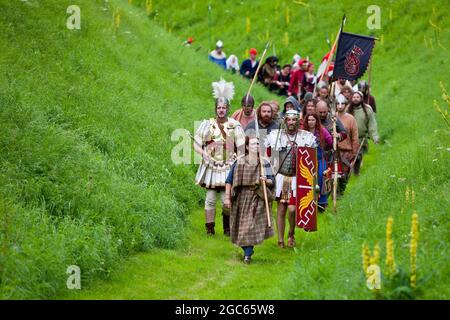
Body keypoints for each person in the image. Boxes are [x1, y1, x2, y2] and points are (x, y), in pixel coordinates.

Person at [194, 79, 245, 236]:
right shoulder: (207, 124)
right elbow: (195, 144)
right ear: (215, 109)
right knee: (209, 199)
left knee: (226, 200)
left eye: (224, 108)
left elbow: (242, 148)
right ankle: (209, 229)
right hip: (211, 166)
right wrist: (204, 155)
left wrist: (238, 163)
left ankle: (227, 229)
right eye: (219, 108)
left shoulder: (235, 125)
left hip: (228, 165)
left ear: (228, 109)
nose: (221, 110)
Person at [265, 110, 317, 248]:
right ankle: (280, 240)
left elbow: (311, 159)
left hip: (297, 179)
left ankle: (291, 234)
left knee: (293, 209)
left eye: (294, 120)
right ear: (285, 121)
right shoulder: (276, 136)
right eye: (289, 120)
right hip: (282, 177)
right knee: (281, 209)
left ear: (298, 122)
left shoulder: (306, 137)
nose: (291, 122)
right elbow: (268, 156)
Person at [224, 136, 275, 264]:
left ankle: (247, 254)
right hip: (241, 198)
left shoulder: (265, 163)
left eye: (258, 144)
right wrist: (227, 198)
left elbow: (272, 181)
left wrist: (265, 180)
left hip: (257, 196)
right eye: (253, 144)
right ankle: (247, 249)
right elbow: (229, 181)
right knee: (240, 228)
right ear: (247, 147)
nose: (256, 146)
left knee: (250, 226)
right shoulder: (239, 162)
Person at [302, 113, 333, 210]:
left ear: (316, 121)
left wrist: (335, 137)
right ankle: (309, 203)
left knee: (321, 179)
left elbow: (331, 141)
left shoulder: (322, 131)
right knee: (308, 182)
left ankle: (322, 203)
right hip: (307, 162)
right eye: (309, 120)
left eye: (313, 120)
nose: (311, 122)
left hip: (320, 160)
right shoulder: (303, 132)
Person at [347, 91, 379, 175]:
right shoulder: (347, 109)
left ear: (361, 98)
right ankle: (347, 173)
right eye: (354, 97)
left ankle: (356, 173)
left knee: (358, 156)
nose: (356, 99)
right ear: (351, 99)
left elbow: (372, 124)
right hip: (349, 138)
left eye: (357, 97)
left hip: (361, 139)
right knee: (350, 156)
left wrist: (374, 137)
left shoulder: (367, 109)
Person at [336, 95, 359, 195]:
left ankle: (341, 192)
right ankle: (334, 193)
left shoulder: (351, 119)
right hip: (335, 151)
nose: (340, 106)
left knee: (344, 175)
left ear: (346, 105)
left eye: (342, 104)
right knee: (334, 174)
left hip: (346, 152)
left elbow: (355, 137)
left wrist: (354, 153)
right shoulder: (332, 117)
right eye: (338, 103)